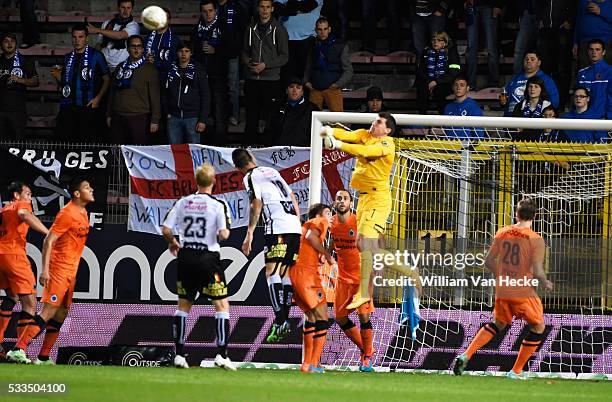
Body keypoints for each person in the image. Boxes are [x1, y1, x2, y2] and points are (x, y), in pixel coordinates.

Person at [454, 198, 554, 379]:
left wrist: (500, 276)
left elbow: (488, 260)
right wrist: (545, 282)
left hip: (502, 288)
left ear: (516, 214)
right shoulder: (536, 239)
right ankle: (515, 372)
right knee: (538, 326)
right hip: (522, 290)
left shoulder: (503, 232)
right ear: (535, 216)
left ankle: (465, 354)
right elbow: (538, 271)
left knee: (498, 323)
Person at [7, 178, 94, 365]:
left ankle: (44, 357)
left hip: (72, 270)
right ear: (77, 194)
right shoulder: (67, 213)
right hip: (59, 268)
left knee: (62, 312)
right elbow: (48, 241)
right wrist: (45, 270)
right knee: (49, 310)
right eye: (87, 187)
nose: (92, 190)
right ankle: (18, 349)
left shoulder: (83, 212)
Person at [161, 164, 236, 370]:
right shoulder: (218, 204)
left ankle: (178, 355)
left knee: (183, 306)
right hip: (208, 258)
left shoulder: (183, 202)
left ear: (196, 182)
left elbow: (166, 229)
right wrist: (220, 232)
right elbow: (224, 234)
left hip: (186, 257)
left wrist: (174, 242)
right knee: (221, 306)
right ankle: (221, 354)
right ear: (214, 182)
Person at [320, 112, 396, 310]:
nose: (374, 123)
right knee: (361, 244)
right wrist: (330, 131)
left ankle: (364, 293)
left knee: (363, 242)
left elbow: (364, 152)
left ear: (387, 130)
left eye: (379, 122)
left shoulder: (387, 144)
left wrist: (336, 144)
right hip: (363, 198)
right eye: (374, 120)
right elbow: (350, 135)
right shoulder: (365, 134)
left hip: (378, 199)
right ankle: (399, 267)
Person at [232, 148, 302, 342]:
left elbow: (256, 203)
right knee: (284, 273)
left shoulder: (250, 176)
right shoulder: (273, 171)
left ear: (237, 167)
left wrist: (249, 233)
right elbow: (293, 196)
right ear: (252, 158)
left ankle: (280, 321)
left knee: (271, 272)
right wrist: (297, 224)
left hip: (277, 227)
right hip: (294, 227)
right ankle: (284, 320)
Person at [0, 182, 48, 359]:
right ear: (16, 195)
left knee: (12, 296)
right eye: (27, 194)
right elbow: (24, 214)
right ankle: (19, 351)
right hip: (14, 256)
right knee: (30, 304)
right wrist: (48, 233)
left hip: (1, 255)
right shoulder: (21, 206)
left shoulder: (4, 209)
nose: (30, 198)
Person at [330, 189, 375, 372]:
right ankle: (365, 349)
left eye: (345, 198)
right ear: (335, 203)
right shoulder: (331, 223)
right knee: (340, 318)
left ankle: (367, 356)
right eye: (339, 198)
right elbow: (331, 245)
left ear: (351, 203)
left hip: (360, 278)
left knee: (363, 315)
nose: (342, 201)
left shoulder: (358, 221)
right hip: (343, 278)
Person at [289, 203, 334, 373]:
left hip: (296, 274)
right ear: (318, 215)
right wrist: (328, 256)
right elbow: (310, 236)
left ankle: (307, 364)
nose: (330, 216)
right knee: (323, 316)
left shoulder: (306, 227)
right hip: (306, 276)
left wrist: (320, 255)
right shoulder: (319, 221)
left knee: (312, 317)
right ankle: (314, 363)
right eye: (328, 212)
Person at [52, 24, 110, 143]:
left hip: (87, 106)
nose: (77, 40)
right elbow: (66, 83)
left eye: (80, 37)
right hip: (68, 107)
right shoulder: (67, 57)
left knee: (86, 142)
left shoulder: (97, 56)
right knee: (66, 142)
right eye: (74, 37)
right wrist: (58, 78)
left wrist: (98, 99)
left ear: (87, 38)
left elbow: (107, 79)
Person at [241, 0, 289, 141]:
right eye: (262, 7)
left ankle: (269, 152)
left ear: (272, 9)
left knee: (270, 119)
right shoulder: (250, 27)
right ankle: (249, 151)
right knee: (251, 118)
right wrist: (247, 62)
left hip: (271, 81)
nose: (265, 10)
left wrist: (265, 65)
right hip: (252, 79)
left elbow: (285, 56)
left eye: (268, 7)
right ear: (257, 8)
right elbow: (244, 51)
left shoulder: (279, 29)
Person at [107, 35, 161, 145]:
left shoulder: (150, 69)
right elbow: (112, 92)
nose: (136, 49)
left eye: (139, 46)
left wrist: (155, 120)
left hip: (139, 117)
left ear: (143, 49)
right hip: (118, 115)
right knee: (118, 151)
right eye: (133, 46)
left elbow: (155, 97)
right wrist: (108, 114)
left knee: (137, 151)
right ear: (127, 49)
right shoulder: (120, 67)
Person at [191, 0, 229, 145]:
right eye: (205, 11)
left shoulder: (223, 28)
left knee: (219, 114)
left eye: (210, 10)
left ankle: (220, 149)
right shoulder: (197, 30)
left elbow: (232, 51)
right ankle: (204, 147)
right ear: (201, 12)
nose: (208, 14)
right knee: (202, 115)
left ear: (215, 11)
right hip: (201, 78)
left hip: (218, 77)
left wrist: (216, 50)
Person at [163, 41, 210, 145]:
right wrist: (167, 112)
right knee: (175, 152)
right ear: (176, 53)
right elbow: (165, 93)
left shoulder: (198, 70)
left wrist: (202, 119)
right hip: (173, 117)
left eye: (186, 51)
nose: (183, 54)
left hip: (192, 117)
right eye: (181, 51)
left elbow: (205, 95)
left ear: (191, 53)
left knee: (193, 152)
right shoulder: (171, 69)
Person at [304, 16, 352, 112]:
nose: (322, 32)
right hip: (315, 89)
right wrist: (306, 81)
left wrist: (338, 84)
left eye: (325, 29)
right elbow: (308, 66)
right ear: (316, 30)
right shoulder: (312, 45)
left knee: (337, 121)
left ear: (329, 29)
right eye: (320, 29)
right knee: (311, 121)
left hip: (332, 89)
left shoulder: (340, 45)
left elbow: (348, 70)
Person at [0, 32, 39, 140]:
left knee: (18, 144)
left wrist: (20, 80)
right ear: (1, 44)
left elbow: (35, 81)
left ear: (16, 44)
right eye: (6, 41)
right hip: (1, 109)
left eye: (12, 41)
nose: (9, 44)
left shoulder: (25, 60)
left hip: (17, 111)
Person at [273, 0, 323, 82]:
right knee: (286, 76)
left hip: (308, 38)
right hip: (285, 38)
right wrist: (298, 7)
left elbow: (308, 6)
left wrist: (289, 6)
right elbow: (276, 7)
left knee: (303, 76)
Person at [537, 0, 574, 109]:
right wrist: (539, 18)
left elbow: (575, 6)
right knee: (545, 69)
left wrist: (570, 21)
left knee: (562, 69)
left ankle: (561, 102)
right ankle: (546, 102)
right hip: (546, 31)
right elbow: (537, 5)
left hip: (562, 30)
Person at [218, 0, 249, 126]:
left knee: (233, 87)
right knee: (217, 87)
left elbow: (244, 28)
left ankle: (233, 115)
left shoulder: (238, 6)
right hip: (215, 54)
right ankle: (218, 115)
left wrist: (237, 48)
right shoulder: (212, 6)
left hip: (232, 53)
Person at [501, 50, 559, 116]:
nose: (528, 61)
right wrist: (503, 102)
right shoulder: (515, 79)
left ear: (539, 62)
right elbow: (505, 98)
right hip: (510, 120)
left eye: (532, 59)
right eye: (526, 59)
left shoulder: (546, 80)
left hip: (534, 121)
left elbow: (555, 103)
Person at [265, 77, 319, 146]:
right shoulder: (277, 107)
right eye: (291, 87)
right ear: (286, 91)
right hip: (278, 150)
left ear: (302, 92)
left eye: (298, 87)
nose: (294, 90)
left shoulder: (312, 109)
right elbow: (269, 131)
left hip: (303, 151)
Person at [416, 31, 461, 114]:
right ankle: (422, 119)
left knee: (439, 91)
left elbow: (454, 72)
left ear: (445, 42)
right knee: (422, 89)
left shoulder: (451, 53)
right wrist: (430, 81)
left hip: (445, 82)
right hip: (428, 81)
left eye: (439, 40)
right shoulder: (426, 51)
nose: (435, 42)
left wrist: (436, 81)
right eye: (434, 40)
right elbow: (420, 71)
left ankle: (442, 118)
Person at [89, 0, 140, 71]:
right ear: (118, 8)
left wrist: (97, 30)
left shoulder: (134, 25)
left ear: (132, 9)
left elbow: (120, 35)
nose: (125, 11)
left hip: (121, 67)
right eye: (123, 7)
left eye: (128, 8)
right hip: (104, 66)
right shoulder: (107, 23)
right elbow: (99, 44)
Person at [465, 0, 502, 90]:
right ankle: (471, 84)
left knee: (491, 47)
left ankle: (493, 84)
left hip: (489, 6)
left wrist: (498, 5)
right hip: (472, 6)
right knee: (471, 47)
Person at [576, 39, 612, 119]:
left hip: (602, 118)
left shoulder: (610, 72)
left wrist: (609, 118)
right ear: (588, 51)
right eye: (591, 49)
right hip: (583, 117)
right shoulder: (582, 73)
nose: (594, 52)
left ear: (603, 52)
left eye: (598, 49)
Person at [145, 7, 180, 83]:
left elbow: (177, 60)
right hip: (149, 75)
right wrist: (146, 58)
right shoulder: (148, 37)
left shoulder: (175, 39)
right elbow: (142, 55)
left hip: (167, 77)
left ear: (169, 21)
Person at [443, 75, 485, 139]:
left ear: (467, 88)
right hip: (450, 146)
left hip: (466, 147)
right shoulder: (448, 107)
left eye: (462, 85)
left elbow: (479, 132)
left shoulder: (472, 106)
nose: (458, 88)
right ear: (452, 87)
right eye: (456, 85)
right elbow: (446, 130)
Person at [573, 0, 612, 68]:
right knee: (584, 71)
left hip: (604, 42)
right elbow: (578, 21)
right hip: (584, 42)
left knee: (603, 72)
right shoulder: (583, 1)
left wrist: (601, 11)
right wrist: (576, 42)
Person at [511, 76, 552, 141]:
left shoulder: (548, 107)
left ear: (541, 89)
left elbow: (549, 130)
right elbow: (514, 127)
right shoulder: (519, 106)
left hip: (541, 143)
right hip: (521, 142)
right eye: (530, 86)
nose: (532, 89)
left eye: (536, 86)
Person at [512, 1, 539, 75]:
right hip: (526, 12)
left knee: (541, 50)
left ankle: (538, 80)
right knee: (519, 49)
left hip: (543, 13)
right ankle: (516, 81)